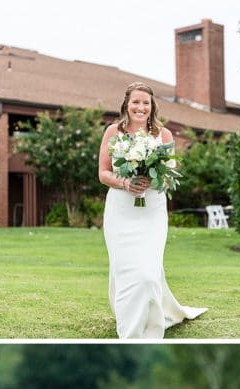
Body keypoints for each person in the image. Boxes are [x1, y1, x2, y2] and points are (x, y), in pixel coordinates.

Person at [98, 82, 206, 339]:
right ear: (126, 104)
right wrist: (126, 182)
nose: (140, 107)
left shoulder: (164, 135)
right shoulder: (114, 132)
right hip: (120, 211)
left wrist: (152, 178)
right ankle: (130, 330)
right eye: (135, 102)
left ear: (152, 106)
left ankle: (152, 327)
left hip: (152, 213)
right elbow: (103, 173)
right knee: (125, 270)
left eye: (145, 103)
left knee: (148, 273)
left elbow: (169, 176)